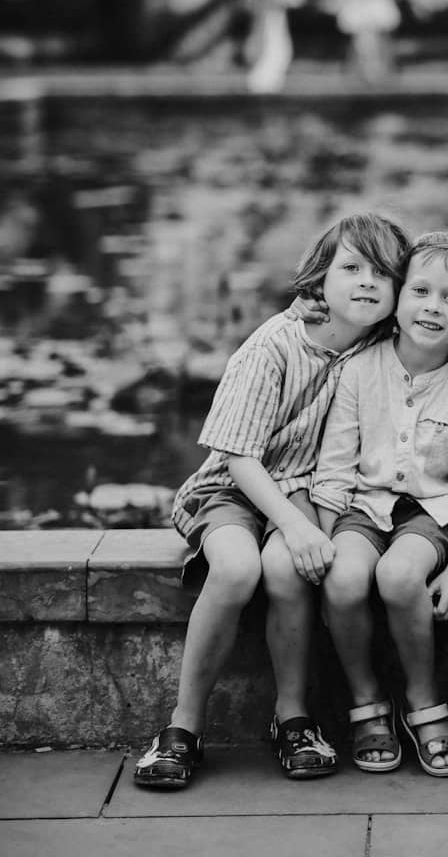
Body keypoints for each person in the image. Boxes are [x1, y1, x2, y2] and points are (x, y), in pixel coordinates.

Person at [133, 211, 409, 789]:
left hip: (308, 492)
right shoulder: (274, 346)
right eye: (351, 268)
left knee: (288, 570)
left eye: (383, 274)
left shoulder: (383, 346)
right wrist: (296, 524)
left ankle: (294, 718)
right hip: (238, 488)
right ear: (319, 281)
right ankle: (182, 727)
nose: (366, 282)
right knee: (236, 568)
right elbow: (237, 456)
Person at [310, 231, 448, 778]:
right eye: (421, 291)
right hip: (360, 509)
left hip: (426, 516)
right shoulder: (361, 371)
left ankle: (423, 701)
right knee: (344, 580)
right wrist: (323, 538)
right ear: (399, 295)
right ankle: (367, 702)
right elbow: (335, 468)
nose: (432, 307)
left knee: (397, 575)